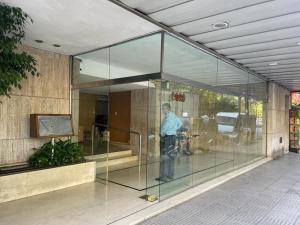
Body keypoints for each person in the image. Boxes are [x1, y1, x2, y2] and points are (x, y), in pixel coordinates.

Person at [157, 103, 182, 183]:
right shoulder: (174, 115)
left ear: (168, 109)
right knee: (170, 156)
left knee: (164, 157)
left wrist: (162, 132)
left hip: (167, 138)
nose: (163, 110)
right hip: (173, 137)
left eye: (164, 108)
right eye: (162, 108)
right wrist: (174, 129)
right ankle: (170, 175)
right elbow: (180, 123)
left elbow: (166, 125)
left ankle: (163, 177)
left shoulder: (168, 116)